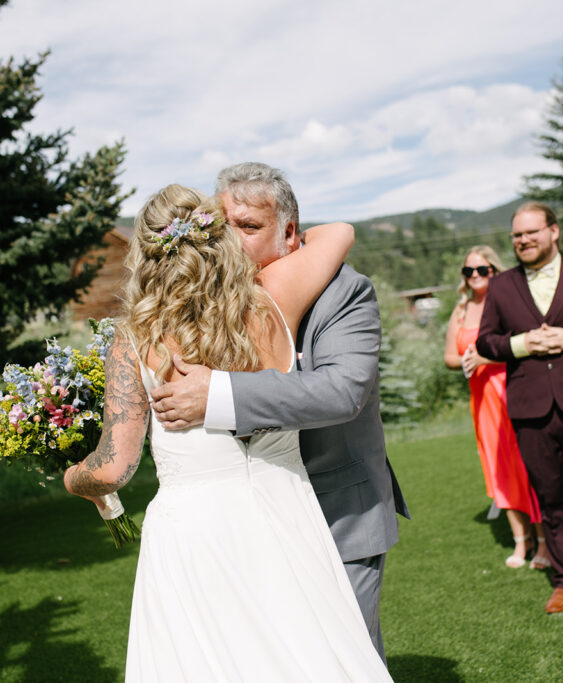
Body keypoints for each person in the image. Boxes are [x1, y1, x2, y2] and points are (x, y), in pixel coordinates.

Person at [63, 184, 391, 681]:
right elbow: (338, 233)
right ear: (215, 237)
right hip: (288, 511)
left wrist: (74, 478)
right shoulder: (276, 299)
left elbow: (115, 466)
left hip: (196, 536)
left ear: (144, 253)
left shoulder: (137, 339)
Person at [148, 162, 408, 659]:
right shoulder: (209, 301)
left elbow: (341, 392)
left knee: (343, 659)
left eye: (249, 228)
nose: (233, 242)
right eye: (225, 228)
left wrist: (219, 397)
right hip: (250, 523)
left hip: (338, 513)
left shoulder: (344, 291)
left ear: (289, 232)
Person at [475, 201, 563, 614]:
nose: (523, 240)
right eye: (517, 235)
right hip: (529, 408)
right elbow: (485, 342)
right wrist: (522, 344)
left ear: (554, 231)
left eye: (531, 232)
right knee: (552, 496)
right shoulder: (501, 285)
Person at [444, 246, 549, 570]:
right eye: (468, 271)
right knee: (498, 467)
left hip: (512, 391)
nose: (475, 276)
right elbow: (449, 356)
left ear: (494, 270)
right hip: (482, 400)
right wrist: (465, 360)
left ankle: (543, 542)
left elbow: (525, 344)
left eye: (482, 270)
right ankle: (521, 541)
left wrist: (487, 357)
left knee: (526, 465)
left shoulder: (507, 301)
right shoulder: (461, 310)